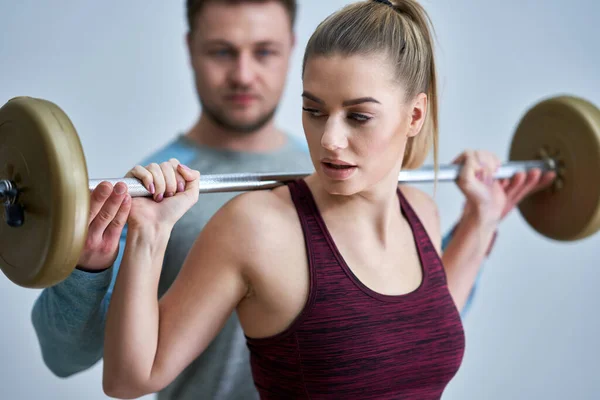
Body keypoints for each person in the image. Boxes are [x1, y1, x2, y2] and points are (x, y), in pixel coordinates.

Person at [30, 0, 553, 399]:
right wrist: (145, 235)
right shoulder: (254, 222)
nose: (329, 140)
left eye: (359, 116)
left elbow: (421, 324)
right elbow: (124, 376)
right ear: (190, 48)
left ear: (414, 115)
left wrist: (481, 223)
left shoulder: (421, 210)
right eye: (315, 110)